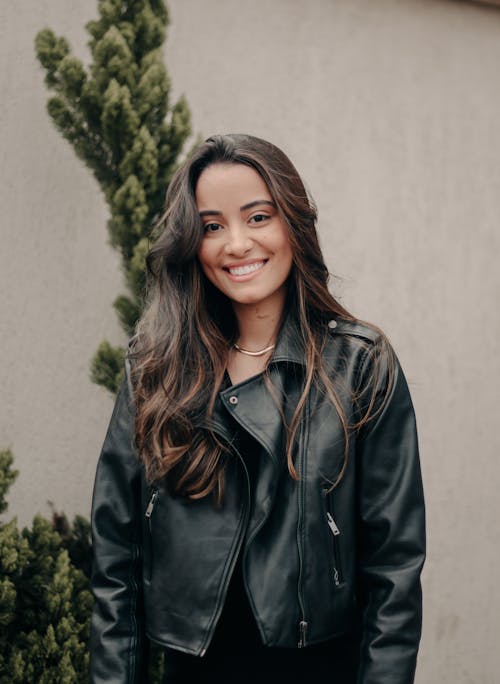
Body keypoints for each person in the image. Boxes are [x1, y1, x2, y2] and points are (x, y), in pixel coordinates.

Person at [90, 134, 426, 684]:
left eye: (258, 217)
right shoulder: (156, 367)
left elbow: (394, 573)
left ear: (293, 224)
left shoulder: (360, 365)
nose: (237, 244)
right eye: (212, 226)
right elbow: (115, 563)